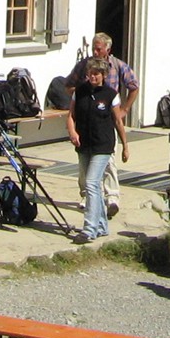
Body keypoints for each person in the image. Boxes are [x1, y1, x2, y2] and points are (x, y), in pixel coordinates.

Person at [67, 34, 138, 215]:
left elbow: (134, 86)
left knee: (108, 161)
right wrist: (81, 98)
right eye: (94, 48)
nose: (95, 52)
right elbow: (68, 85)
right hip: (87, 121)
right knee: (84, 164)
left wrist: (125, 109)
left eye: (99, 49)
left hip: (108, 118)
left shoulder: (118, 65)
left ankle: (112, 197)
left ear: (108, 49)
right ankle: (87, 196)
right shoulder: (85, 65)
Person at [67, 58, 128, 241]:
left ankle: (89, 228)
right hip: (84, 144)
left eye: (96, 74)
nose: (92, 77)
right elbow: (71, 115)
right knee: (90, 184)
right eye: (90, 73)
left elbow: (118, 121)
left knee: (92, 183)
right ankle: (101, 225)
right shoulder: (80, 92)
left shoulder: (110, 94)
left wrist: (125, 145)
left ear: (103, 75)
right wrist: (72, 132)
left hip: (103, 145)